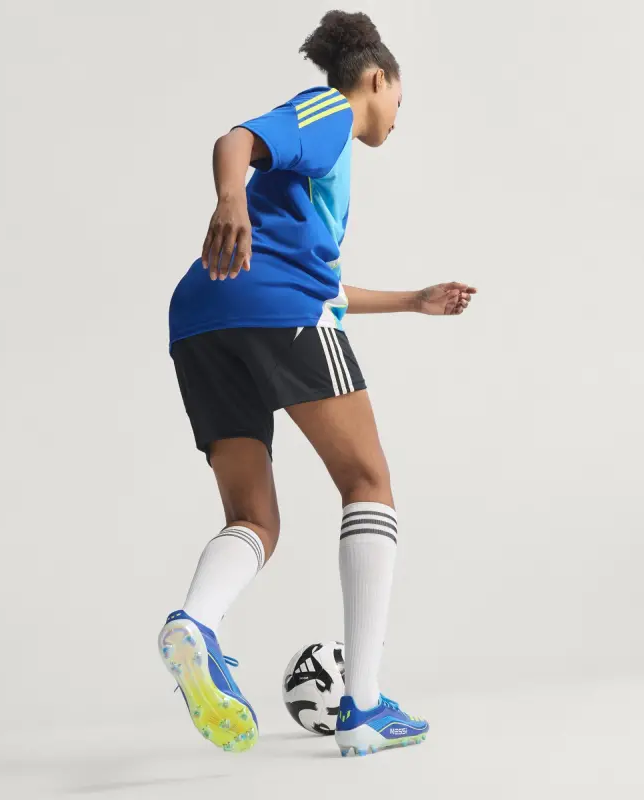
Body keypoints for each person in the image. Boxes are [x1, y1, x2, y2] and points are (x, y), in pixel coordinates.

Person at [158, 9, 476, 758]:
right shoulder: (330, 111)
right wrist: (229, 196)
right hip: (272, 306)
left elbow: (319, 287)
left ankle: (195, 622)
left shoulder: (313, 183)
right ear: (377, 80)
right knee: (368, 481)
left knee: (254, 518)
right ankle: (362, 706)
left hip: (201, 316)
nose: (398, 115)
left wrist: (413, 300)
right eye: (399, 98)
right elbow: (236, 139)